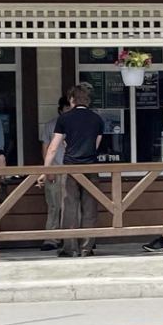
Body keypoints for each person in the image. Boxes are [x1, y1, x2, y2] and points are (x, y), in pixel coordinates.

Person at [45, 83, 107, 258]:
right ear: (87, 100)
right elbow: (95, 144)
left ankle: (70, 247)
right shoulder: (97, 119)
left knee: (70, 208)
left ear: (72, 99)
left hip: (71, 167)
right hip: (91, 167)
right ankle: (87, 247)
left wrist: (45, 169)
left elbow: (52, 147)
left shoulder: (64, 119)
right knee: (90, 209)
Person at [40, 95, 69, 251]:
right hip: (55, 169)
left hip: (70, 170)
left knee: (70, 206)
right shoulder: (50, 125)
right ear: (60, 110)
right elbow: (45, 147)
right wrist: (47, 169)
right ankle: (51, 238)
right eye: (66, 109)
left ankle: (69, 237)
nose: (68, 112)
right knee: (53, 205)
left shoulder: (74, 125)